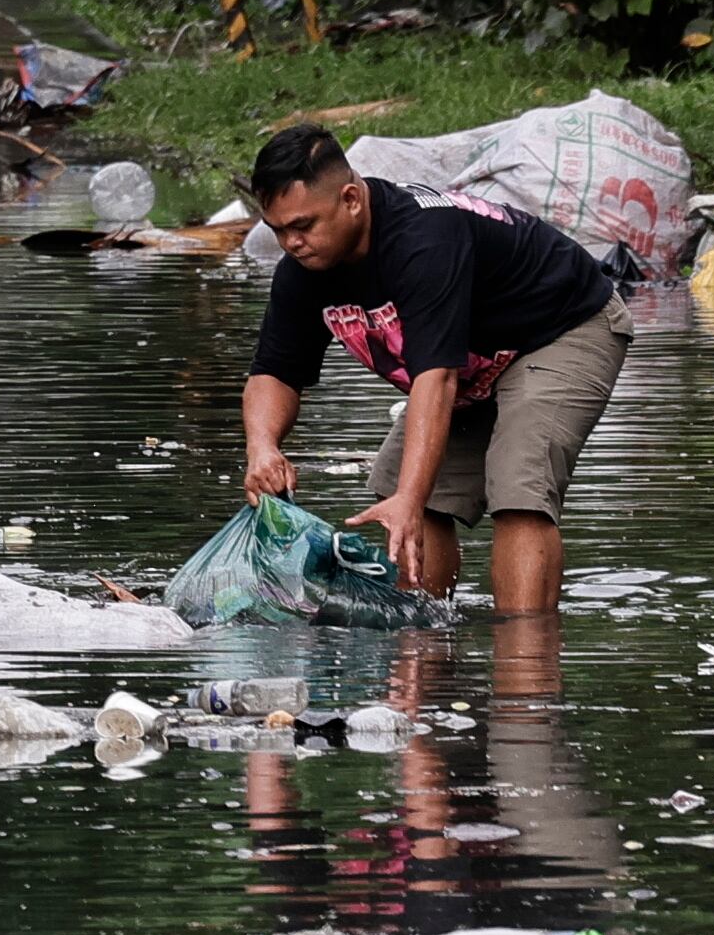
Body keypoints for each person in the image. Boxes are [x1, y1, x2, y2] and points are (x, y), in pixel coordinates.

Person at [240, 124, 633, 619]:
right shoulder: (302, 272)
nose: (291, 243)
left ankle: (525, 663)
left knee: (518, 489)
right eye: (278, 230)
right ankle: (425, 645)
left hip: (560, 329)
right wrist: (263, 446)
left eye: (303, 225)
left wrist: (410, 493)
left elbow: (437, 378)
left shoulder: (423, 240)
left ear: (351, 199)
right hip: (473, 364)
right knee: (406, 499)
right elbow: (274, 372)